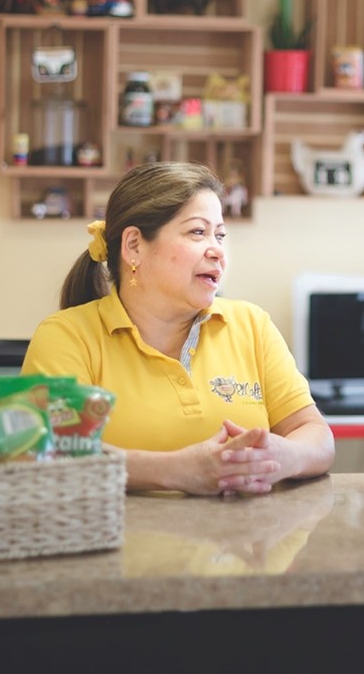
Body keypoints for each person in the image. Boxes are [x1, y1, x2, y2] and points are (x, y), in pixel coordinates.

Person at [21, 162, 334, 496]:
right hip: (121, 545)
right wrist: (177, 471)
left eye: (220, 235)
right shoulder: (67, 336)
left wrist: (284, 456)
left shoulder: (252, 325)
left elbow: (314, 433)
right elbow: (47, 455)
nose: (217, 250)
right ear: (134, 246)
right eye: (197, 232)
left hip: (246, 545)